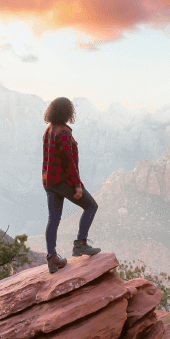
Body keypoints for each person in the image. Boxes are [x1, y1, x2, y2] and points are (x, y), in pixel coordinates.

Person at [42, 97, 101, 273]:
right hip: (62, 181)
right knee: (91, 206)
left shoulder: (49, 130)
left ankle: (52, 259)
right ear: (67, 113)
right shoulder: (64, 133)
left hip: (48, 181)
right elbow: (69, 163)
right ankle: (80, 244)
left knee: (53, 219)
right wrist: (77, 186)